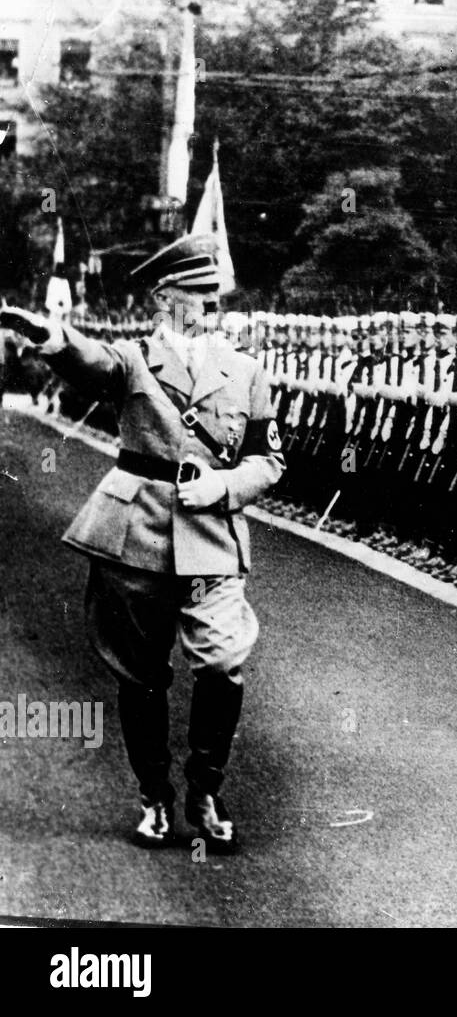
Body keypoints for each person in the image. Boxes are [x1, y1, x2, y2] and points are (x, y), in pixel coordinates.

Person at [2, 235, 285, 853]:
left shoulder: (246, 370)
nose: (206, 308)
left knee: (221, 661)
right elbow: (89, 360)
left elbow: (270, 461)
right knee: (142, 671)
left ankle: (205, 790)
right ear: (163, 298)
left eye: (212, 297)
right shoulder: (134, 358)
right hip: (139, 534)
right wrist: (48, 337)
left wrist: (224, 485)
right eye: (193, 296)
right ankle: (154, 796)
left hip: (212, 531)